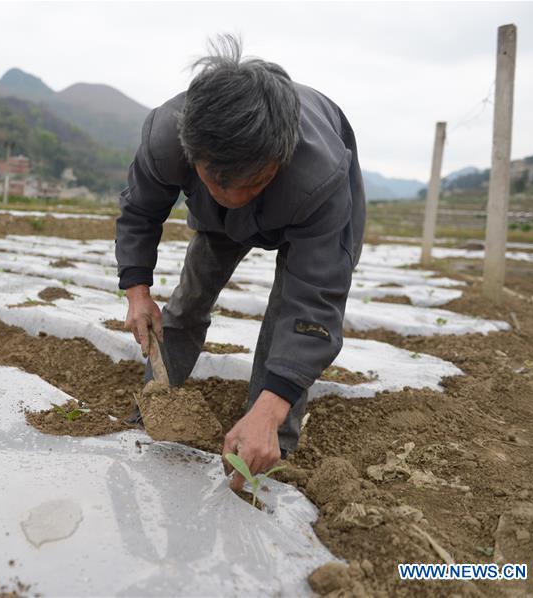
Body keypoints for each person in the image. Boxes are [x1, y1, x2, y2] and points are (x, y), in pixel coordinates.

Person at [115, 36, 365, 492]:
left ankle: (272, 440)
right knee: (189, 298)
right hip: (215, 222)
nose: (234, 196)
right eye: (218, 181)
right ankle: (158, 401)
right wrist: (137, 292)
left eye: (252, 182)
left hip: (299, 206)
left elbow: (313, 304)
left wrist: (272, 406)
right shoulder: (167, 137)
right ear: (193, 153)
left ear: (279, 160)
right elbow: (140, 211)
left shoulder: (321, 178)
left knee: (284, 317)